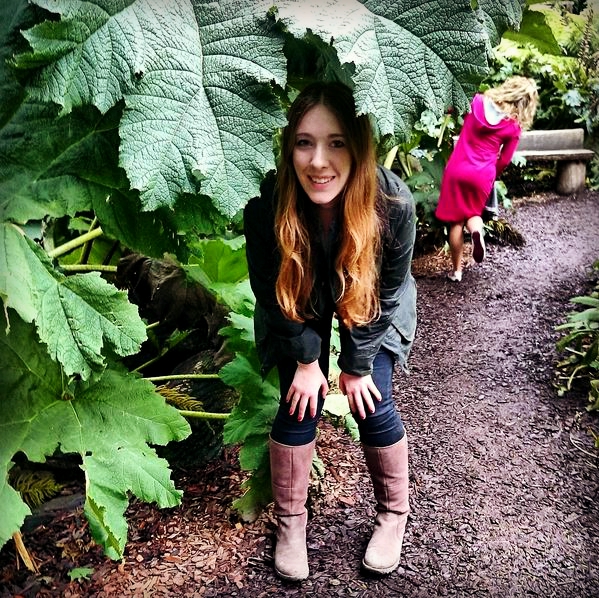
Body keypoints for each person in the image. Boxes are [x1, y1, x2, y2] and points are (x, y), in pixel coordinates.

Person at [244, 81, 417, 581]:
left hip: (370, 296)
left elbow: (389, 291)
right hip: (294, 298)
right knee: (299, 399)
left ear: (358, 147)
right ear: (289, 147)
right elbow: (268, 289)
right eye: (305, 142)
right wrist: (305, 361)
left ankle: (393, 514)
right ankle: (290, 525)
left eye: (336, 142)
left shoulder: (394, 203)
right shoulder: (266, 201)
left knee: (372, 398)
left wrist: (357, 366)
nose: (318, 161)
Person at [435, 76, 539, 281]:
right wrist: (490, 175)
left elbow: (450, 107)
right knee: (473, 213)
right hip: (482, 175)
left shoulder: (476, 101)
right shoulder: (513, 126)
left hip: (457, 169)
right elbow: (505, 160)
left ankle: (456, 271)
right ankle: (476, 232)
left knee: (455, 222)